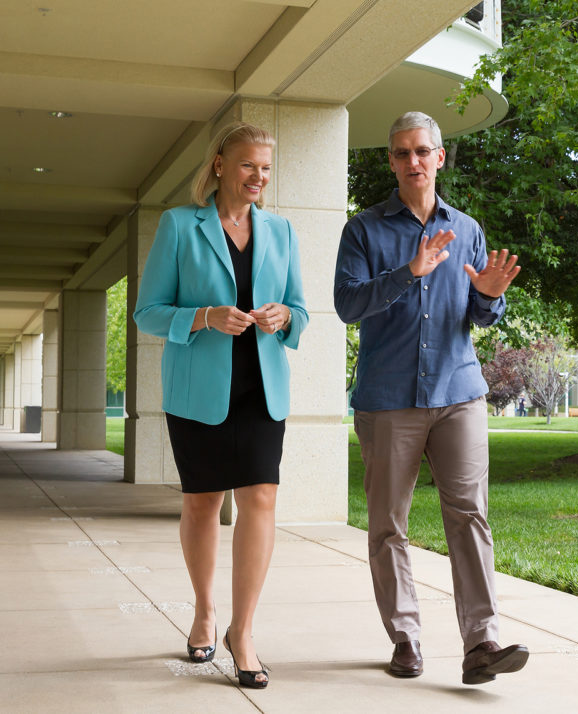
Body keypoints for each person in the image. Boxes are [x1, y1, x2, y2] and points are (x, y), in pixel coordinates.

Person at [334, 111, 527, 685]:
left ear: (440, 157)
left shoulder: (467, 229)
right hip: (388, 397)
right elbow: (347, 306)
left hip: (458, 391)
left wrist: (491, 297)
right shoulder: (363, 231)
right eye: (401, 153)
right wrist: (407, 272)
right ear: (391, 161)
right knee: (388, 524)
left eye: (422, 151)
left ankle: (482, 643)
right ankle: (405, 637)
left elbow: (478, 314)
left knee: (469, 515)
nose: (412, 161)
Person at [134, 121, 308, 689]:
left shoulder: (281, 231)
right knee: (203, 504)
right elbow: (149, 312)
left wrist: (285, 318)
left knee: (260, 497)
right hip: (198, 391)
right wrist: (204, 317)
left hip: (262, 388)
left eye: (265, 167)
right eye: (247, 164)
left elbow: (302, 312)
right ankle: (204, 611)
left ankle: (244, 631)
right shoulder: (180, 226)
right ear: (218, 164)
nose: (258, 176)